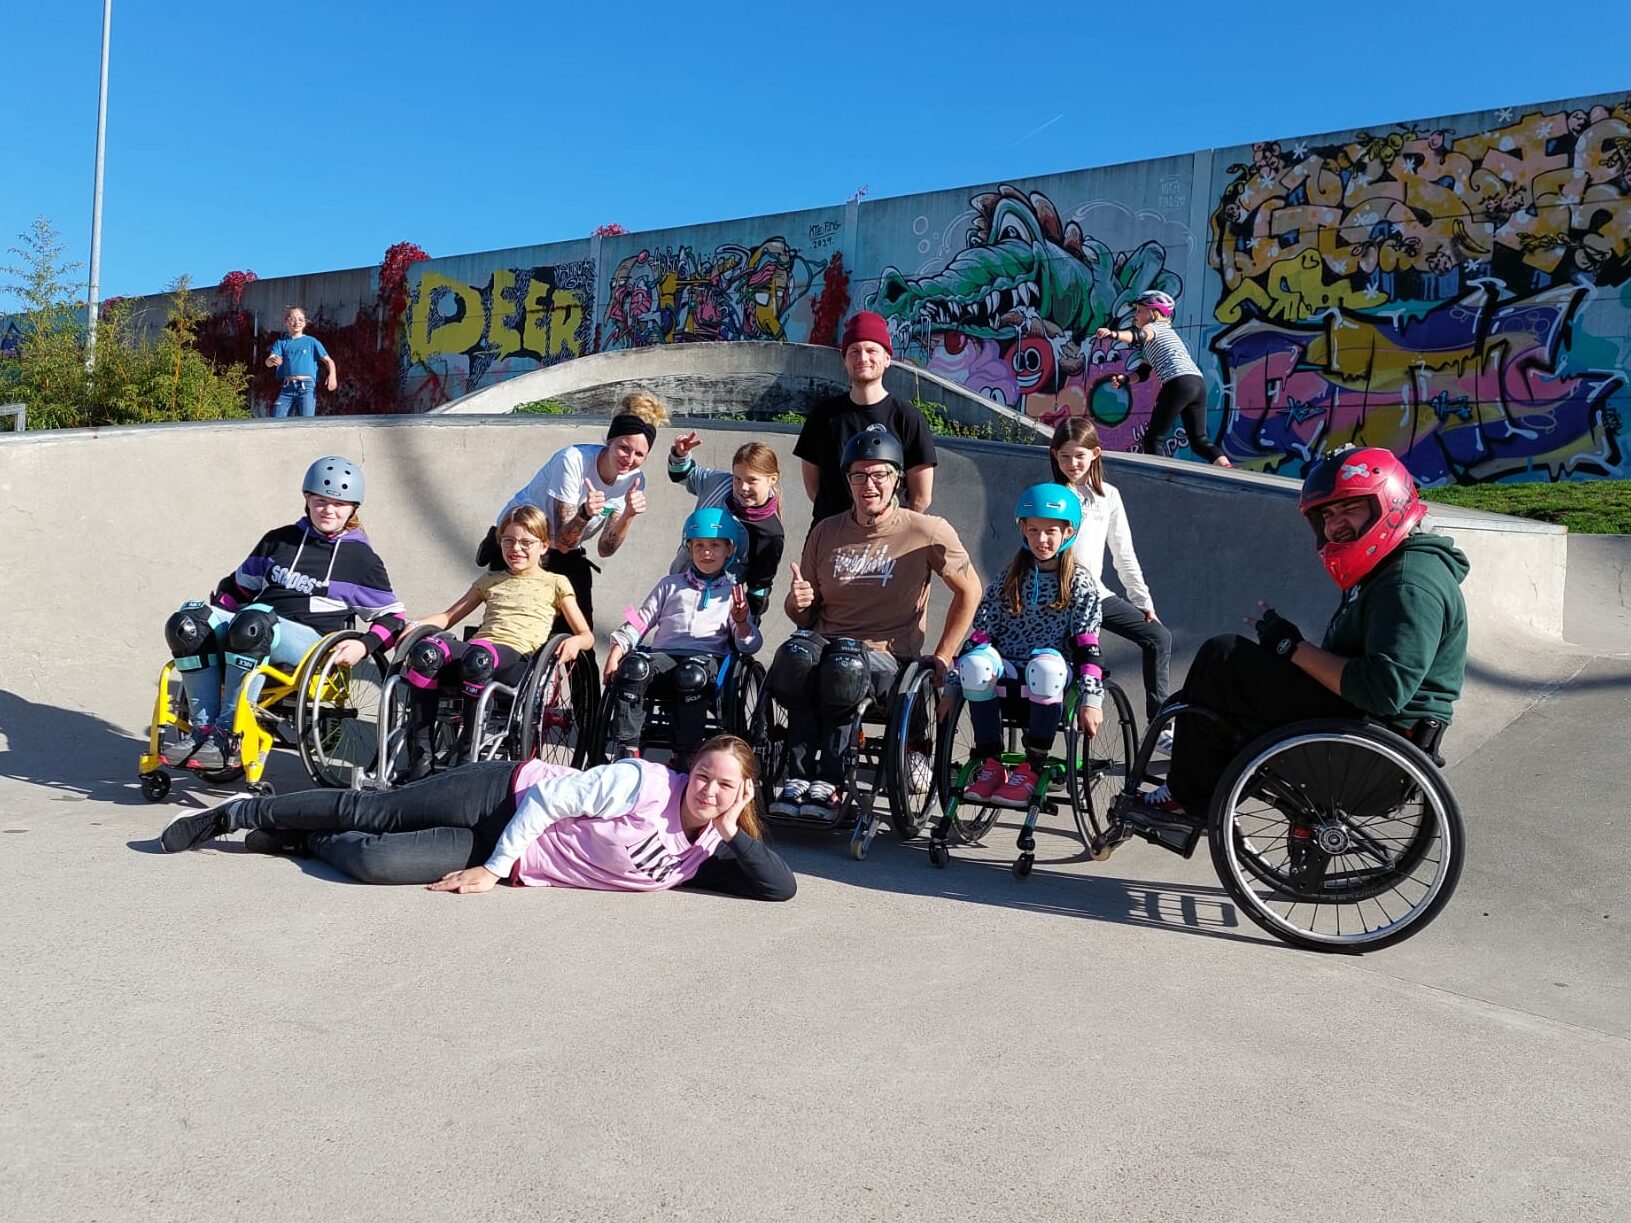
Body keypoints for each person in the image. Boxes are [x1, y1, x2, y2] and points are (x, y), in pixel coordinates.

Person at [1144, 445, 1469, 822]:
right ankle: (1203, 785)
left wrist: (1291, 647)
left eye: (1350, 508)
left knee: (1223, 656)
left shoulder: (1408, 582)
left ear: (1390, 503)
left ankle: (1188, 797)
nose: (1335, 525)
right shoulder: (1388, 571)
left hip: (1370, 755)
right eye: (1327, 515)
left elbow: (1384, 690)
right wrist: (1285, 650)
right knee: (1218, 689)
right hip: (1364, 733)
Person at [158, 734, 797, 902]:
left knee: (372, 861)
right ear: (691, 769)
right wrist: (492, 870)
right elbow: (548, 803)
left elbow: (779, 887)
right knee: (374, 811)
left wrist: (731, 829)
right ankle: (241, 813)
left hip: (510, 859)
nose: (708, 792)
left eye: (727, 788)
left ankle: (290, 839)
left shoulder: (709, 847)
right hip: (502, 798)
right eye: (705, 777)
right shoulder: (644, 784)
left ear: (744, 795)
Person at [768, 425, 982, 821]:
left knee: (844, 664)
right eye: (859, 474)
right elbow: (805, 616)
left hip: (888, 659)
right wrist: (796, 603)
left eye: (879, 474)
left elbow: (970, 590)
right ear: (847, 480)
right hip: (826, 644)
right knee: (795, 655)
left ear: (897, 479)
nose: (869, 483)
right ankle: (796, 778)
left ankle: (831, 783)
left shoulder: (927, 531)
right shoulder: (826, 532)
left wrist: (945, 654)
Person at [160, 456, 405, 771]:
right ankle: (202, 730)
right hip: (253, 627)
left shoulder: (362, 560)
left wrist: (365, 645)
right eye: (320, 501)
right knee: (188, 622)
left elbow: (393, 617)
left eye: (339, 504)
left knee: (254, 622)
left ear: (353, 508)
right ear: (307, 499)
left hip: (309, 643)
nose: (329, 510)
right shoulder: (279, 541)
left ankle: (229, 735)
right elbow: (236, 591)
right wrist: (210, 627)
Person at [400, 504, 594, 779]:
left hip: (519, 660)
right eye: (509, 541)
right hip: (480, 650)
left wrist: (575, 643)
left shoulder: (556, 582)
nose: (516, 548)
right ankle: (421, 756)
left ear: (543, 546)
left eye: (526, 542)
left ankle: (468, 756)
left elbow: (586, 635)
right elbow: (448, 616)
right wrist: (418, 624)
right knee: (426, 653)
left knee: (479, 657)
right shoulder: (490, 580)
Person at [946, 484, 1106, 806]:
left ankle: (1032, 766)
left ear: (1068, 532)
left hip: (1054, 671)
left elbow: (1088, 646)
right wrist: (952, 685)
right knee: (976, 663)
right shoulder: (1009, 578)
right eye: (1034, 530)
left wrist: (1092, 698)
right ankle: (991, 764)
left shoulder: (1079, 583)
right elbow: (979, 637)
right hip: (1009, 669)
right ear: (1022, 529)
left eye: (1050, 532)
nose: (1041, 539)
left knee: (1044, 667)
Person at [487, 391, 670, 626]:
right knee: (521, 626)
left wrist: (628, 515)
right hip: (521, 543)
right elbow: (564, 541)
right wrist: (585, 513)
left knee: (580, 628)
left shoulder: (634, 480)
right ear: (609, 440)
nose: (629, 458)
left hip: (562, 550)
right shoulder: (572, 460)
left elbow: (605, 548)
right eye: (624, 447)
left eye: (639, 454)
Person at [600, 509, 763, 770]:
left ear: (729, 550)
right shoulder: (670, 585)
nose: (706, 552)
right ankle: (626, 750)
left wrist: (742, 621)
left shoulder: (733, 592)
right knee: (634, 668)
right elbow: (642, 620)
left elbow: (750, 645)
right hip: (664, 656)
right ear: (689, 548)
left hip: (706, 661)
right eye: (698, 545)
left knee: (691, 676)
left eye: (714, 546)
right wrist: (617, 651)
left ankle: (686, 754)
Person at [1050, 417, 1175, 745]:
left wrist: (1143, 601)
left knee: (1158, 637)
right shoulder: (1051, 496)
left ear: (1095, 453)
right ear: (1054, 456)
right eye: (1064, 456)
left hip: (1097, 596)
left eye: (1079, 455)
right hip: (1059, 598)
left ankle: (1159, 724)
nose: (1072, 463)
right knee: (1087, 661)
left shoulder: (1108, 497)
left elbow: (1124, 554)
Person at [794, 310, 937, 523]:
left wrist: (893, 532)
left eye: (872, 350)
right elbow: (814, 488)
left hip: (886, 541)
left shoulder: (908, 418)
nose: (863, 358)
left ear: (887, 358)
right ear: (844, 360)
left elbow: (921, 498)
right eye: (854, 351)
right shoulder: (823, 416)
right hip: (830, 537)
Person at [1094, 290, 1231, 466]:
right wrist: (1125, 379)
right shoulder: (1163, 338)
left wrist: (1114, 334)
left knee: (1153, 438)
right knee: (1199, 441)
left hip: (1178, 383)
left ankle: (1157, 477)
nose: (1135, 315)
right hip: (1197, 383)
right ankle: (1226, 467)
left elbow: (1137, 336)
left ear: (1153, 313)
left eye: (1139, 310)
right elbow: (1143, 373)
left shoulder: (1153, 328)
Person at [665, 435, 785, 617]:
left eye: (752, 480)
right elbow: (683, 475)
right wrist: (681, 455)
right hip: (679, 588)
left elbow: (758, 588)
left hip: (717, 607)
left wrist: (744, 626)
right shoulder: (720, 483)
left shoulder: (769, 533)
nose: (742, 487)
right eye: (737, 478)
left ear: (772, 479)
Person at [265, 307, 337, 419]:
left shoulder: (311, 342)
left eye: (300, 319)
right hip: (287, 387)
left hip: (306, 387)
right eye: (292, 319)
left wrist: (332, 375)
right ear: (286, 321)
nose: (297, 322)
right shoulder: (281, 343)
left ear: (304, 323)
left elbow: (329, 361)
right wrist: (272, 361)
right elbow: (269, 362)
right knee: (277, 418)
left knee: (306, 421)